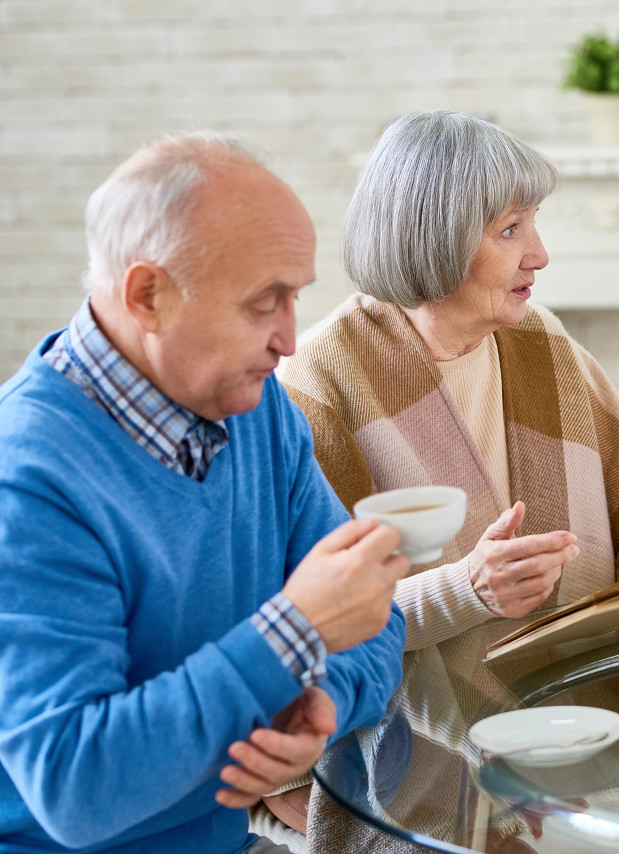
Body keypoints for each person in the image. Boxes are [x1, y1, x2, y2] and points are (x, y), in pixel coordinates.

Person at [277, 110, 619, 837]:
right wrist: (470, 590)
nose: (541, 255)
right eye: (510, 230)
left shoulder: (542, 345)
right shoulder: (316, 386)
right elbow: (304, 618)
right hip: (413, 777)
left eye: (534, 223)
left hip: (597, 733)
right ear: (436, 235)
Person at [0, 134, 410, 853]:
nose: (290, 338)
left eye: (296, 297)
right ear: (148, 295)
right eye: (264, 303)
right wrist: (294, 633)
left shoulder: (256, 409)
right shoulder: (28, 476)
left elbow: (372, 613)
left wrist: (318, 708)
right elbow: (74, 787)